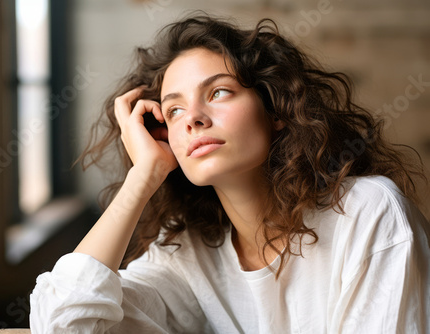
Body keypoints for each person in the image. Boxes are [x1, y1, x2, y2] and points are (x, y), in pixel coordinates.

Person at [29, 14, 430, 333]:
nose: (193, 120)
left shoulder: (368, 213)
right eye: (174, 110)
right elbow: (61, 325)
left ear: (275, 108)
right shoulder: (186, 254)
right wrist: (143, 176)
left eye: (218, 92)